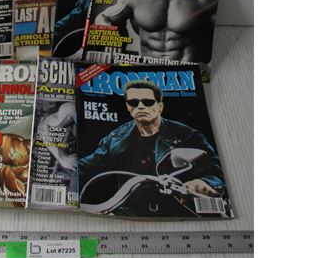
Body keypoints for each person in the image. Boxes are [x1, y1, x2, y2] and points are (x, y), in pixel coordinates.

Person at [78, 81, 225, 197]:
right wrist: (68, 167)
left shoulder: (187, 135)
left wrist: (202, 183)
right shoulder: (117, 137)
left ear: (160, 106)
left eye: (148, 102)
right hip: (129, 206)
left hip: (178, 206)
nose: (141, 106)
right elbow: (88, 165)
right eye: (133, 102)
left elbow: (215, 172)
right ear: (128, 107)